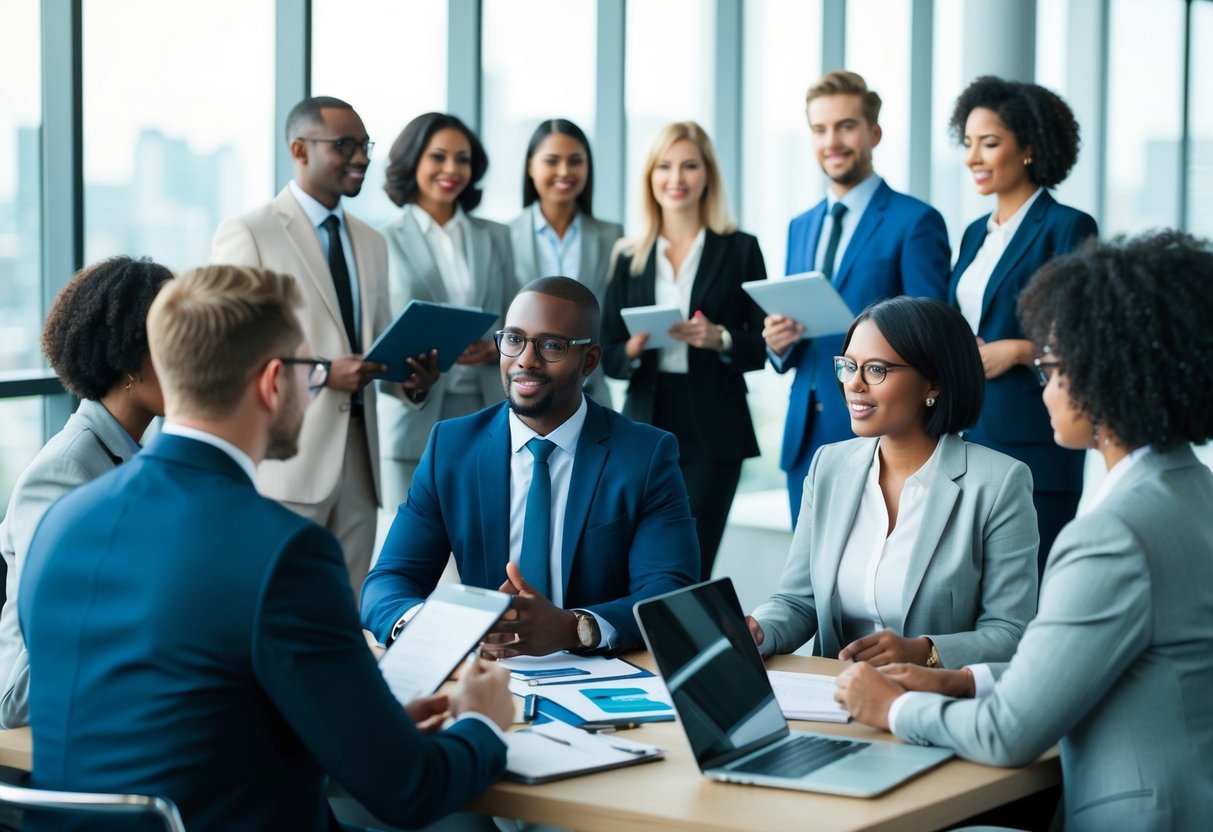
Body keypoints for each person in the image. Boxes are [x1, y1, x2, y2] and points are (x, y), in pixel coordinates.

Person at [21, 265, 513, 832]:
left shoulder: (63, 521)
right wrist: (484, 722)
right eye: (310, 372)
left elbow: (172, 709)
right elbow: (410, 792)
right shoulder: (288, 552)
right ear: (273, 381)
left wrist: (358, 721)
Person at [834, 232, 1213, 830]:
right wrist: (959, 678)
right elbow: (1093, 662)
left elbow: (1008, 732)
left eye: (1054, 368)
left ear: (1110, 378)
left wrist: (896, 707)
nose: (1046, 386)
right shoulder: (1194, 490)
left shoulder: (1114, 533)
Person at [362, 277, 699, 654]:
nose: (526, 360)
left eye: (551, 345)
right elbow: (387, 584)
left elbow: (669, 594)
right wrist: (441, 633)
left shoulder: (645, 454)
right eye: (514, 339)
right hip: (490, 674)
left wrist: (575, 628)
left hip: (603, 674)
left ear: (589, 360)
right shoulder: (452, 447)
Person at [209, 96, 437, 594]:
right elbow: (226, 348)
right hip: (287, 462)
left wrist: (408, 379)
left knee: (347, 610)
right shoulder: (250, 232)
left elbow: (370, 344)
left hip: (361, 460)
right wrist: (319, 373)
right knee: (280, 604)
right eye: (344, 145)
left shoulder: (370, 240)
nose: (360, 157)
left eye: (365, 145)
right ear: (299, 149)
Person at [748, 297, 1037, 669]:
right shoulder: (828, 467)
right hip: (833, 698)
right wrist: (760, 630)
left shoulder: (999, 483)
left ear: (932, 383)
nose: (854, 384)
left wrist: (926, 652)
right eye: (849, 366)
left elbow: (1011, 631)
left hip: (929, 707)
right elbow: (798, 600)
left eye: (876, 370)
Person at [765, 70, 951, 523]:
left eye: (846, 126)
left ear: (874, 133)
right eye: (820, 129)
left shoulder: (915, 221)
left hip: (879, 435)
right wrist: (778, 344)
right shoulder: (800, 225)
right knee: (809, 586)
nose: (832, 140)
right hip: (804, 439)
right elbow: (797, 336)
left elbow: (932, 334)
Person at [0, 257, 171, 729]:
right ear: (130, 359)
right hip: (42, 716)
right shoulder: (64, 468)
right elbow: (43, 662)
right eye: (172, 345)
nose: (189, 361)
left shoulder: (139, 458)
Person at [601, 121, 766, 581]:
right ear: (650, 177)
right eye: (665, 166)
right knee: (636, 557)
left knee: (692, 558)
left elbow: (762, 345)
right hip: (644, 419)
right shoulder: (629, 254)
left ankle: (683, 653)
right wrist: (632, 349)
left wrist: (723, 339)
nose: (677, 178)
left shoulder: (740, 249)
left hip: (713, 422)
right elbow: (606, 352)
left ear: (707, 175)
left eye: (689, 166)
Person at [948, 76, 1098, 571]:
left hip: (1034, 437)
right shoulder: (974, 234)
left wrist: (1017, 350)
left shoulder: (1067, 227)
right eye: (968, 143)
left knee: (1028, 590)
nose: (973, 157)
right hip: (968, 433)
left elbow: (1086, 335)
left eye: (989, 143)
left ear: (1030, 148)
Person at [379, 112, 516, 512]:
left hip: (488, 411)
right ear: (413, 162)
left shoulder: (496, 236)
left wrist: (498, 349)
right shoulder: (382, 241)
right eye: (438, 157)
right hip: (416, 415)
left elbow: (513, 318)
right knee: (420, 559)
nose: (451, 169)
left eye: (462, 159)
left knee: (486, 551)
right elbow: (376, 334)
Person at [508, 118, 623, 408]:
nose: (564, 171)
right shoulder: (504, 236)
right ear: (531, 166)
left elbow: (610, 317)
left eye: (575, 161)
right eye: (552, 161)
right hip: (526, 387)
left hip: (590, 390)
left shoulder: (612, 237)